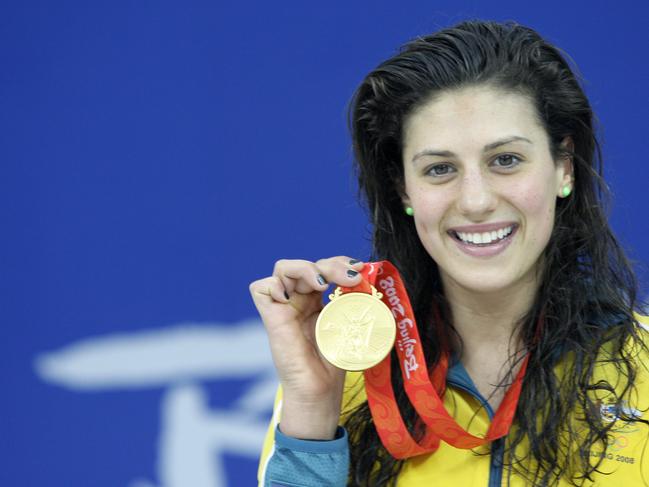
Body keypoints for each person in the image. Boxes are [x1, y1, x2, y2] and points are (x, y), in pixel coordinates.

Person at [249, 20, 649, 486]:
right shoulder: (349, 374)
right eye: (440, 169)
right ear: (404, 189)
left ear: (563, 167)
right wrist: (314, 408)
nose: (475, 201)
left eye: (506, 160)